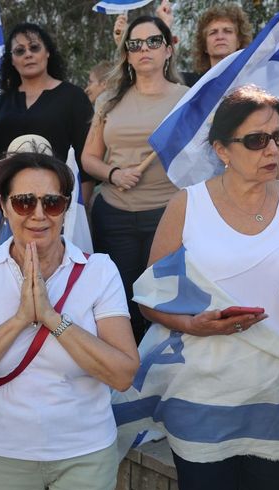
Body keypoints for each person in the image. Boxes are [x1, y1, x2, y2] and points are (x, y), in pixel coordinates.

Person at [139, 86, 279, 490]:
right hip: (204, 391)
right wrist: (193, 325)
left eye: (278, 137)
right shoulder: (187, 205)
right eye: (256, 140)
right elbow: (149, 300)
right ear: (222, 150)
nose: (271, 149)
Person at [0, 151, 139, 490]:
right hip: (5, 453)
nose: (39, 215)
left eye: (52, 202)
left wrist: (52, 319)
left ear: (67, 206)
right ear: (3, 205)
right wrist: (20, 320)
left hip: (85, 452)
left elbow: (123, 373)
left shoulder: (99, 270)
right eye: (25, 202)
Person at [81, 15, 191, 342]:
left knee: (164, 302)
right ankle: (125, 378)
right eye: (135, 44)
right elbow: (88, 158)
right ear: (127, 54)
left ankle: (161, 380)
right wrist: (114, 174)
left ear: (168, 50)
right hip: (114, 216)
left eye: (154, 41)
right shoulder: (108, 100)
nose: (145, 49)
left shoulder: (188, 99)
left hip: (167, 215)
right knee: (120, 304)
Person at [0, 23, 94, 208]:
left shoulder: (74, 97)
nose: (28, 54)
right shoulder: (1, 104)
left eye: (34, 47)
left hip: (58, 205)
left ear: (48, 52)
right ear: (12, 60)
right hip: (9, 207)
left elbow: (86, 162)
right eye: (20, 51)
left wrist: (79, 211)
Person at [187, 3, 253, 86]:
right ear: (204, 46)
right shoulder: (191, 87)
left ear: (239, 42)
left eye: (227, 31)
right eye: (213, 32)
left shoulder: (252, 86)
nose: (220, 37)